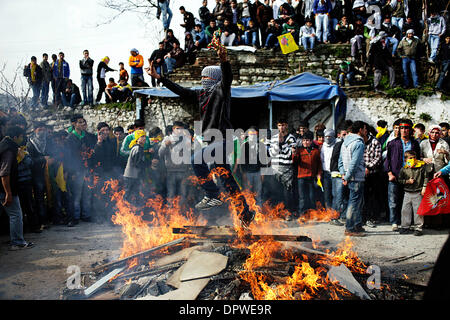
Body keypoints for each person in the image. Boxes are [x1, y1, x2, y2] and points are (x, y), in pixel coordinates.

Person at [148, 45, 255, 229]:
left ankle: (212, 195)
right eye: (202, 77)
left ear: (215, 79)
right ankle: (245, 212)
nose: (203, 80)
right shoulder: (200, 95)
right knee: (226, 179)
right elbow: (181, 91)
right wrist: (160, 78)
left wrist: (224, 60)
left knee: (196, 159)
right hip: (213, 142)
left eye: (207, 77)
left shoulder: (221, 92)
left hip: (223, 140)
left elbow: (227, 78)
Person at [0, 125, 35, 250]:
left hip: (4, 188)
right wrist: (8, 193)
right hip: (5, 189)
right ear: (15, 137)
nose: (23, 138)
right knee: (16, 215)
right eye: (21, 136)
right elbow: (4, 173)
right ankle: (17, 242)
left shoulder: (5, 145)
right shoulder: (9, 150)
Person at [384, 119, 420, 231]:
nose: (404, 130)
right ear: (399, 130)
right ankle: (394, 222)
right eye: (402, 128)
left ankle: (408, 223)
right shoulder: (392, 143)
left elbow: (418, 159)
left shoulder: (414, 144)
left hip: (410, 176)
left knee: (409, 201)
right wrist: (389, 173)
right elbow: (387, 160)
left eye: (406, 128)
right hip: (395, 175)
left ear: (410, 130)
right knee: (393, 200)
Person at [65, 115, 95, 227]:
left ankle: (86, 215)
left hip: (87, 169)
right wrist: (71, 172)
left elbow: (91, 151)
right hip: (77, 170)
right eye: (80, 122)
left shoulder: (87, 137)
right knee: (76, 195)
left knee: (87, 193)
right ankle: (75, 217)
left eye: (83, 122)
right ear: (74, 124)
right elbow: (69, 158)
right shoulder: (70, 138)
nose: (82, 124)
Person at [338, 121, 367, 236]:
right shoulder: (358, 143)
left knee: (357, 202)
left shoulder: (345, 142)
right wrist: (347, 177)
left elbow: (340, 161)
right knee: (354, 203)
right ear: (360, 130)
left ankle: (357, 225)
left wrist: (343, 175)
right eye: (364, 129)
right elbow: (354, 163)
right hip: (356, 178)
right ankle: (350, 228)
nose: (366, 131)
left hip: (349, 177)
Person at [268, 118, 299, 218]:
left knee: (287, 193)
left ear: (287, 126)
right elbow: (271, 153)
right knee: (276, 191)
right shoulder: (273, 138)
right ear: (277, 126)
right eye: (280, 125)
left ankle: (288, 213)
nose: (282, 127)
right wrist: (278, 145)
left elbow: (290, 154)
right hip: (276, 168)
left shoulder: (291, 138)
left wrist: (282, 144)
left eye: (284, 125)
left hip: (287, 169)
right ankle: (277, 212)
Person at [158, 121, 191, 205]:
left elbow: (190, 155)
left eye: (181, 129)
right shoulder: (167, 139)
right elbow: (160, 154)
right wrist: (165, 145)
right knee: (171, 194)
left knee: (183, 193)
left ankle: (181, 213)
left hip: (183, 171)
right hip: (170, 171)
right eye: (178, 129)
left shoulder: (186, 139)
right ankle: (170, 213)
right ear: (173, 129)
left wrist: (188, 148)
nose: (180, 131)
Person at [27, 122, 52, 230]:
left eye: (43, 129)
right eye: (39, 129)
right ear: (34, 130)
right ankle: (39, 221)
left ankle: (47, 219)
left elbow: (53, 153)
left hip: (46, 173)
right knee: (38, 198)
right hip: (34, 174)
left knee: (47, 196)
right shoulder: (30, 143)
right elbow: (29, 160)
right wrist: (43, 159)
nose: (42, 132)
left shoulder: (48, 141)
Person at [234, 127, 267, 206]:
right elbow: (241, 161)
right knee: (248, 193)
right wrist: (243, 173)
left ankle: (258, 212)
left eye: (254, 134)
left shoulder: (261, 145)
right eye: (251, 134)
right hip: (248, 173)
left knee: (258, 193)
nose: (253, 136)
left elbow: (263, 160)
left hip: (258, 172)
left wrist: (263, 173)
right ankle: (249, 212)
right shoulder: (244, 145)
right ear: (248, 135)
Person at [397, 150, 427, 235]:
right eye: (410, 158)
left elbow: (426, 177)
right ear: (406, 160)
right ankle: (405, 227)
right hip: (407, 193)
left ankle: (418, 228)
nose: (413, 159)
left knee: (418, 211)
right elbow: (400, 180)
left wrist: (424, 187)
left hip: (417, 192)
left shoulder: (421, 167)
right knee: (405, 210)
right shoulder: (404, 169)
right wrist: (407, 181)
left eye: (414, 158)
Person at [294, 130, 322, 214]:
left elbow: (319, 165)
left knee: (312, 196)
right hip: (301, 178)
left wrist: (319, 174)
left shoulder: (315, 151)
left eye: (307, 140)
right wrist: (294, 154)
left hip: (312, 177)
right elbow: (295, 162)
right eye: (303, 140)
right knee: (302, 197)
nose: (305, 142)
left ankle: (312, 213)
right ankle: (302, 213)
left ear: (311, 141)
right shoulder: (299, 151)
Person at [362, 125, 383, 228]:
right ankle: (362, 218)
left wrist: (368, 168)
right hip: (360, 174)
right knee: (362, 197)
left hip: (373, 174)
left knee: (372, 197)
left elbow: (378, 158)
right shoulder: (358, 141)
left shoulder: (375, 142)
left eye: (364, 129)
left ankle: (371, 218)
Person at [123, 129, 147, 204]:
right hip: (131, 176)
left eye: (144, 136)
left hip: (134, 176)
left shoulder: (139, 147)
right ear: (137, 138)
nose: (144, 138)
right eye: (142, 136)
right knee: (129, 195)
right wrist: (148, 164)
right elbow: (137, 163)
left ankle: (133, 211)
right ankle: (124, 210)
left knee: (135, 194)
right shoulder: (137, 148)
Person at [320, 128, 336, 210]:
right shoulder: (323, 146)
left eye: (330, 136)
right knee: (327, 193)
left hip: (334, 173)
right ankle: (328, 211)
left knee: (335, 193)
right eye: (326, 136)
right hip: (325, 173)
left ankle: (335, 211)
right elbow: (322, 159)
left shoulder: (336, 145)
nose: (328, 138)